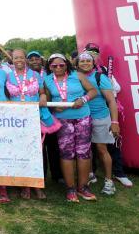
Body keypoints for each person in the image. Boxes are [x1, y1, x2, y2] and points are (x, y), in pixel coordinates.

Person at [44, 53, 98, 203]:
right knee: (66, 153)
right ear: (49, 67)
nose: (58, 67)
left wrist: (83, 99)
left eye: (61, 64)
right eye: (54, 65)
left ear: (67, 64)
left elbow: (93, 91)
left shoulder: (77, 75)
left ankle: (83, 187)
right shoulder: (47, 80)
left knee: (83, 152)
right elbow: (46, 101)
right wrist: (54, 109)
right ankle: (70, 188)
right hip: (63, 121)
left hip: (82, 117)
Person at [3, 49, 50, 201]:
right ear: (12, 59)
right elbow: (6, 95)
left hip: (33, 116)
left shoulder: (36, 75)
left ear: (26, 59)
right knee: (20, 151)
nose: (19, 60)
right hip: (16, 119)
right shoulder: (8, 76)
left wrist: (43, 96)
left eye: (21, 57)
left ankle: (37, 186)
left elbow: (42, 92)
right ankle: (25, 185)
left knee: (37, 152)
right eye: (16, 57)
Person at [77, 52, 120, 195]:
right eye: (82, 61)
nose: (84, 63)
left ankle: (109, 181)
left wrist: (114, 122)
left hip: (100, 117)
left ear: (93, 62)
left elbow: (111, 101)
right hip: (83, 118)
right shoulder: (76, 77)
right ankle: (90, 175)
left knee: (102, 149)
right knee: (86, 149)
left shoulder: (100, 77)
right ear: (77, 63)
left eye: (87, 61)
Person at [27, 50, 61, 184]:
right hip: (35, 116)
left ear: (41, 60)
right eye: (31, 59)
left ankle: (57, 175)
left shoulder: (50, 74)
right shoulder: (28, 76)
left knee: (53, 147)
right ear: (28, 62)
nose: (34, 61)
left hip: (50, 115)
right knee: (39, 148)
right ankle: (42, 175)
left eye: (37, 59)